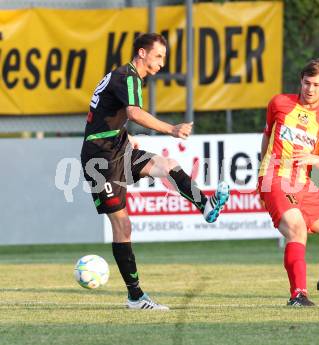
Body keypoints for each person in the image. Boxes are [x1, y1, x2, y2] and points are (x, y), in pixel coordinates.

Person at [80, 33, 230, 310]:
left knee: (167, 164)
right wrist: (172, 129)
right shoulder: (129, 76)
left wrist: (123, 133)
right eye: (158, 56)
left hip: (116, 145)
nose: (162, 62)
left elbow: (107, 113)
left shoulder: (125, 76)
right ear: (141, 53)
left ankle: (206, 206)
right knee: (123, 226)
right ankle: (135, 296)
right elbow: (135, 113)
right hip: (100, 157)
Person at [257, 58, 319, 307]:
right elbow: (267, 137)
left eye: (316, 84)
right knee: (296, 229)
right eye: (306, 82)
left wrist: (315, 158)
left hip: (303, 185)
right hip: (276, 179)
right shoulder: (279, 103)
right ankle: (298, 295)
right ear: (301, 81)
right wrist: (262, 178)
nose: (310, 89)